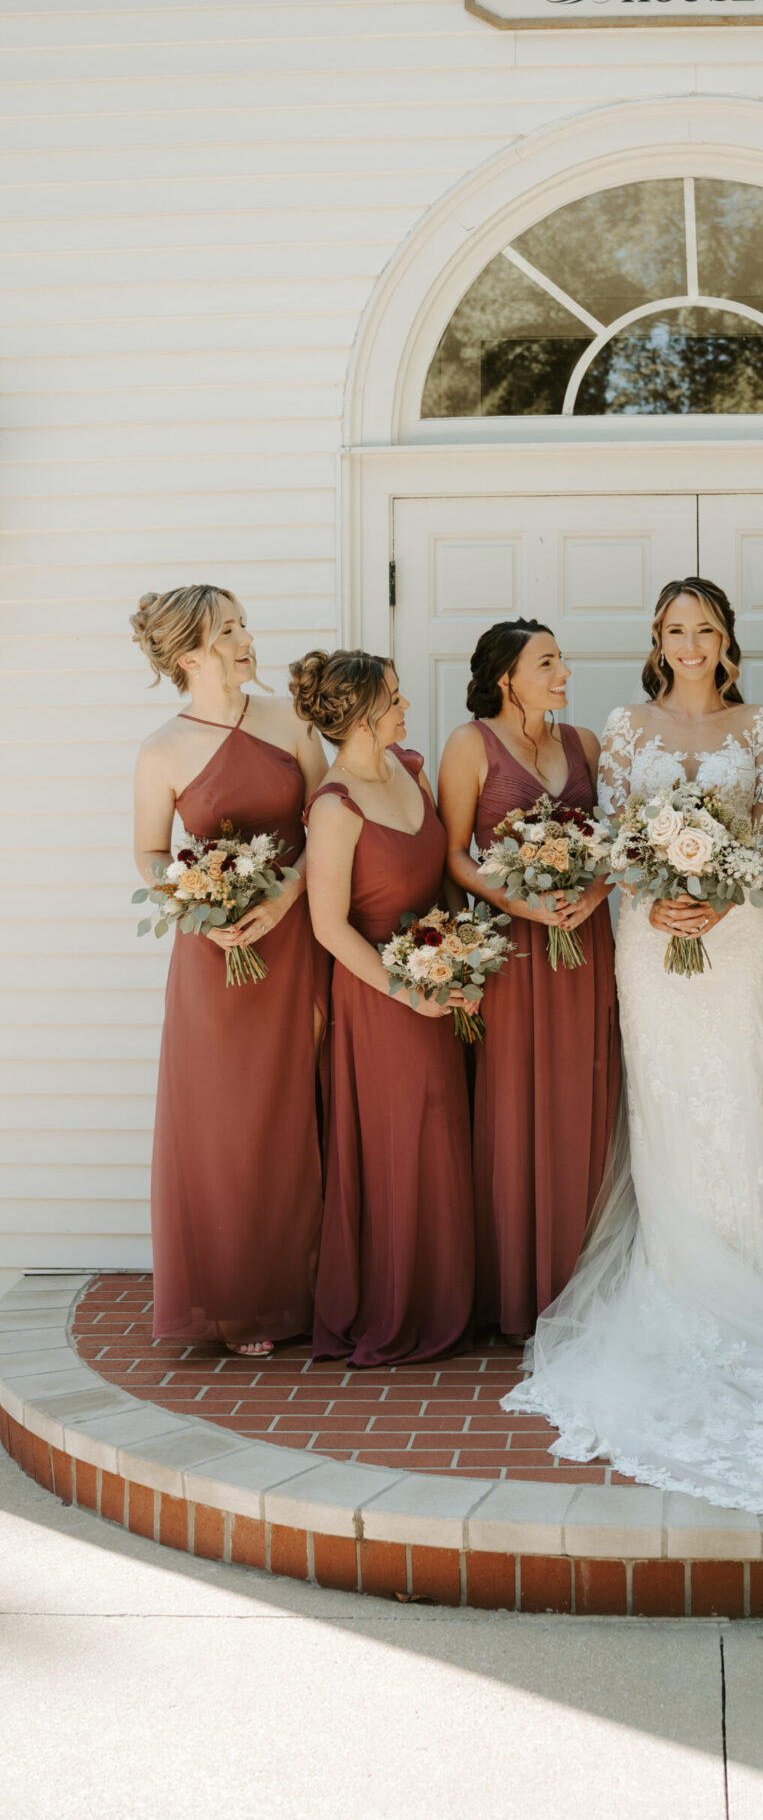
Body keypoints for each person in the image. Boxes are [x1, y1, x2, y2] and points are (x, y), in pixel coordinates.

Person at [505, 578, 763, 1517]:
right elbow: (616, 838)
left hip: (741, 942)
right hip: (649, 942)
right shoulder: (622, 725)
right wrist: (650, 895)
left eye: (704, 629)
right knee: (667, 1105)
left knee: (741, 1100)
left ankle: (760, 1297)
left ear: (727, 640)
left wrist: (728, 893)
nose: (690, 642)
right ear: (656, 641)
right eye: (674, 629)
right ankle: (675, 1288)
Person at [130, 585, 326, 1358]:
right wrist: (194, 897)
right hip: (215, 954)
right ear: (188, 656)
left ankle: (315, 1288)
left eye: (245, 624)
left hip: (296, 937)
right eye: (228, 632)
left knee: (301, 1107)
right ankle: (241, 1300)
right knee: (229, 1121)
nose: (248, 639)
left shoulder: (290, 721)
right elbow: (149, 850)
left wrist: (285, 896)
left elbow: (329, 820)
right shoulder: (162, 750)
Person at [437, 621, 620, 1341]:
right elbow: (454, 854)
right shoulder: (468, 744)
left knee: (586, 1096)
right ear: (507, 677)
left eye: (562, 658)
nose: (563, 671)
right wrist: (521, 903)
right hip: (516, 947)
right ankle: (518, 1292)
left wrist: (596, 894)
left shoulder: (585, 746)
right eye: (547, 662)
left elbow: (611, 842)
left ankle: (582, 1279)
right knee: (515, 1105)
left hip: (584, 940)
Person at [294, 649, 474, 1367]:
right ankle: (398, 1305)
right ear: (364, 714)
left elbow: (441, 874)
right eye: (395, 698)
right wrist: (409, 993)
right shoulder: (335, 807)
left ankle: (446, 1294)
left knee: (441, 1136)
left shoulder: (408, 768)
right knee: (401, 1142)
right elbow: (328, 925)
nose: (405, 706)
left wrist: (463, 949)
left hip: (438, 975)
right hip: (378, 999)